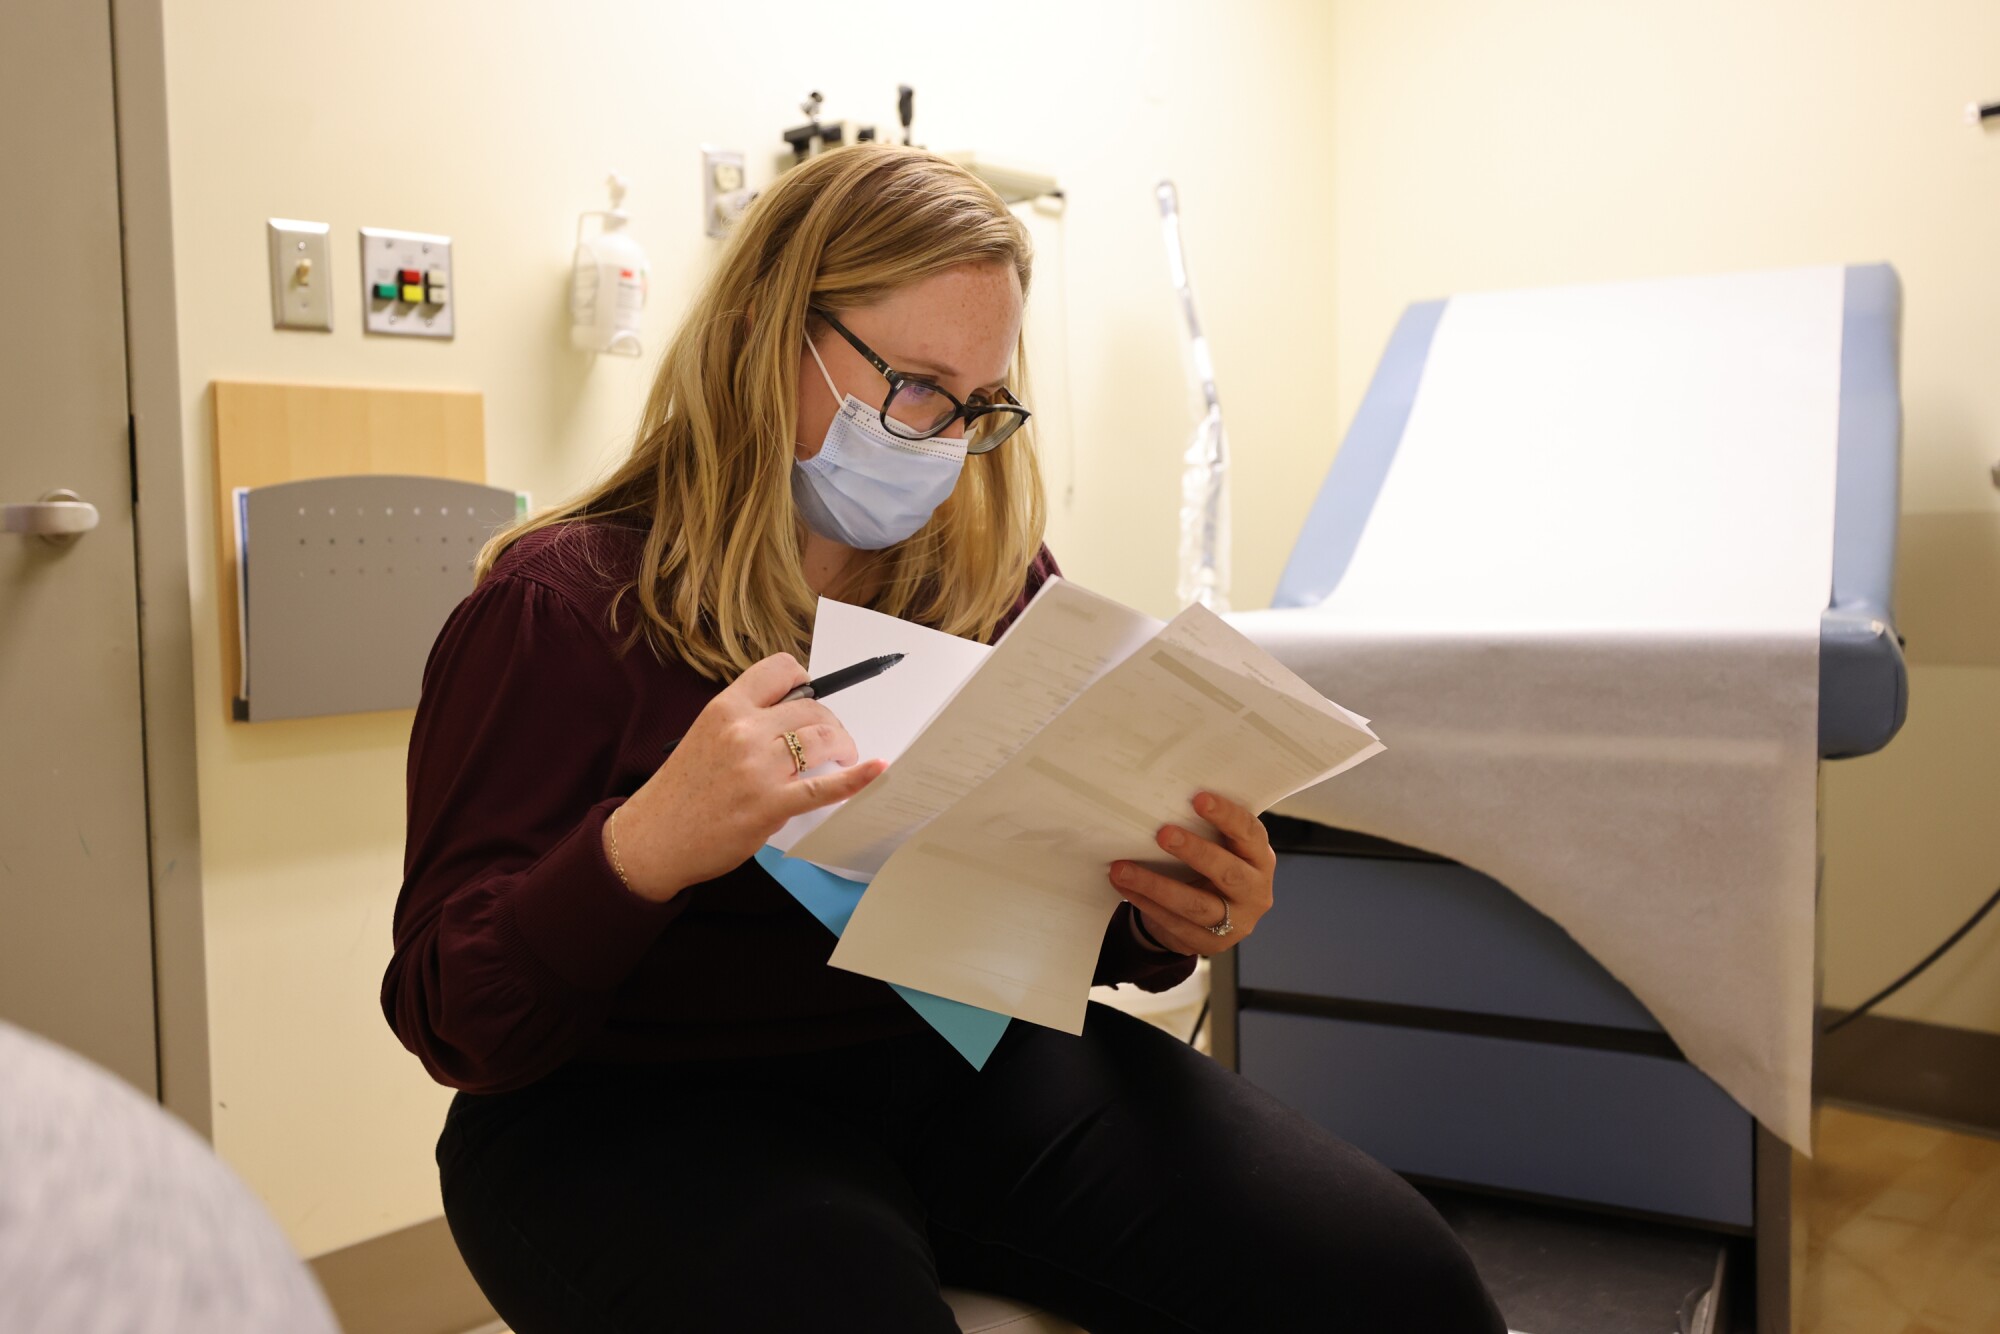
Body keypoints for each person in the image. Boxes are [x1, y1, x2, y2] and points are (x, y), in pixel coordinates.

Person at [383, 143, 1505, 1334]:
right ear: (772, 332)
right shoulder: (561, 608)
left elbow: (1044, 887)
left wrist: (1164, 907)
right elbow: (455, 1016)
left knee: (1397, 1277)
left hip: (955, 1062)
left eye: (976, 404)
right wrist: (646, 843)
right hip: (633, 1104)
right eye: (915, 383)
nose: (938, 437)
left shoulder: (983, 579)